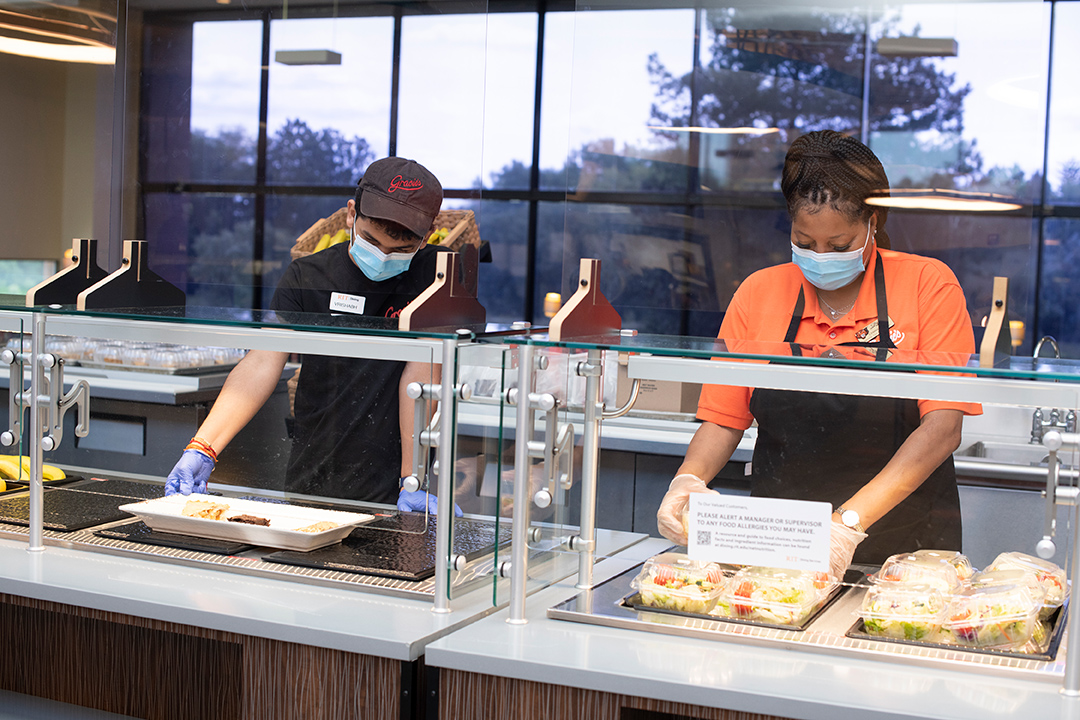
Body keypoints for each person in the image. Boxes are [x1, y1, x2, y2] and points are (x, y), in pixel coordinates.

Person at [656, 130, 981, 579]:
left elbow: (943, 428)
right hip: (781, 544)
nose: (821, 255)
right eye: (805, 243)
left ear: (872, 223)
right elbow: (724, 419)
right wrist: (688, 480)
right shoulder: (759, 292)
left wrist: (845, 526)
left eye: (840, 244)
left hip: (902, 549)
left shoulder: (928, 285)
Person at [165, 157, 458, 515]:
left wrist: (411, 479)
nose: (382, 257)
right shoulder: (309, 276)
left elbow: (423, 373)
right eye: (370, 240)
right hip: (314, 475)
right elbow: (262, 360)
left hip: (400, 489)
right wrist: (203, 447)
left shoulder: (438, 277)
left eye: (399, 250)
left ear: (426, 238)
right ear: (351, 214)